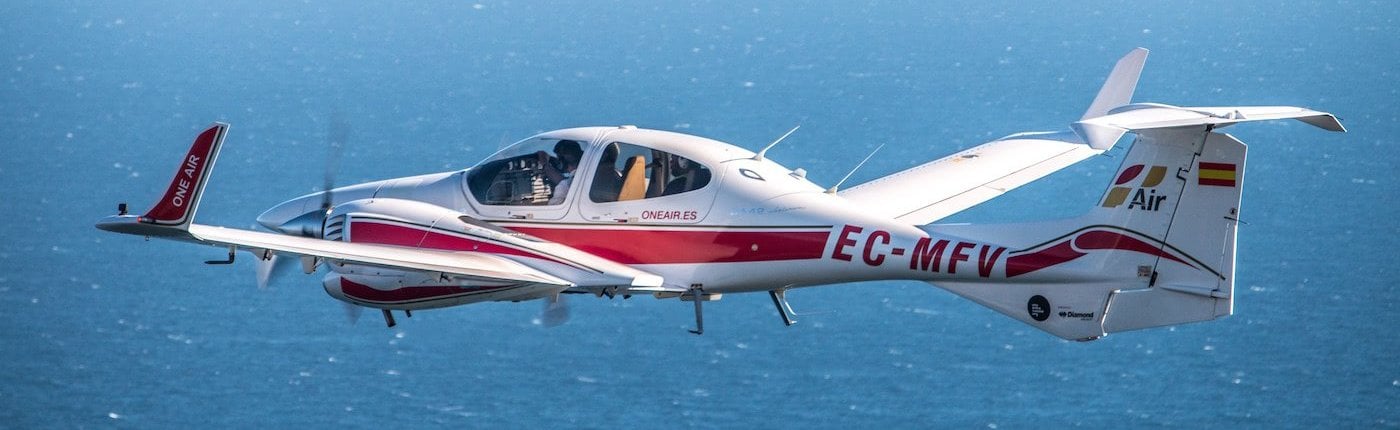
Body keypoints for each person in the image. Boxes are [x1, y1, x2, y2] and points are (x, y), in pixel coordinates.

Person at [537, 140, 583, 205]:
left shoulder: (564, 186)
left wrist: (544, 163)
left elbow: (552, 210)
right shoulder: (585, 177)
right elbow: (565, 181)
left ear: (563, 162)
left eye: (558, 158)